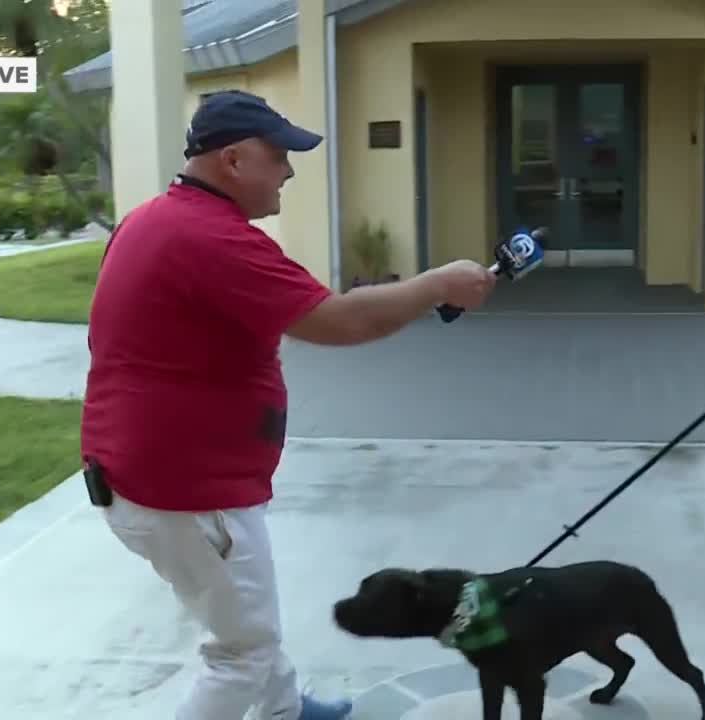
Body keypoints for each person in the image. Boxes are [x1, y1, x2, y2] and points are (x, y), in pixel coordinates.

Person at [80, 90, 497, 720]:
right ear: (234, 159)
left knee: (246, 621)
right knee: (240, 653)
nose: (290, 171)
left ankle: (287, 714)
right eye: (279, 156)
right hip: (189, 495)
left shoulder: (151, 220)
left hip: (152, 480)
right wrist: (437, 284)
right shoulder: (211, 238)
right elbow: (337, 321)